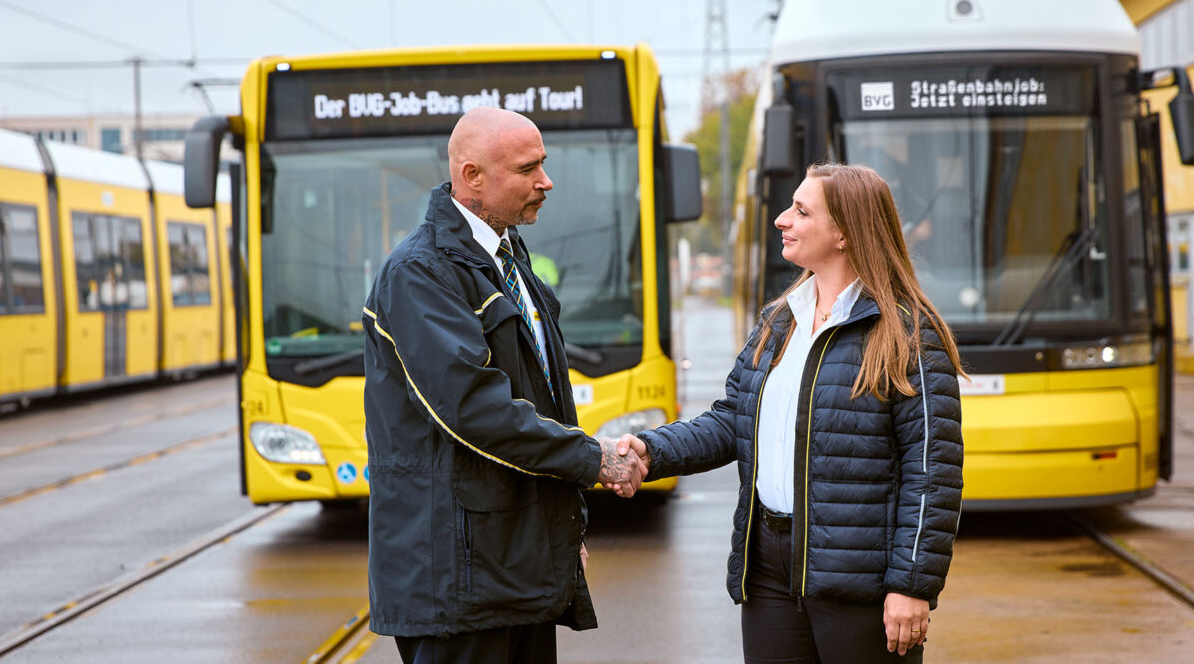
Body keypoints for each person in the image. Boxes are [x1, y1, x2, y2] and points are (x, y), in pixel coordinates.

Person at [617, 163, 965, 663]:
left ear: (844, 232)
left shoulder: (908, 334)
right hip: (769, 569)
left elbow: (932, 472)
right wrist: (652, 451)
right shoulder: (780, 320)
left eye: (801, 211)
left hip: (858, 578)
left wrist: (912, 585)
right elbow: (733, 419)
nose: (782, 219)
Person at [362, 107, 646, 664]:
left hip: (510, 567)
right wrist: (595, 459)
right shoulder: (421, 272)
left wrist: (562, 532)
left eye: (543, 164)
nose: (546, 181)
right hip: (459, 577)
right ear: (472, 177)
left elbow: (541, 405)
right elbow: (475, 409)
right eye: (527, 169)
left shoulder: (507, 259)